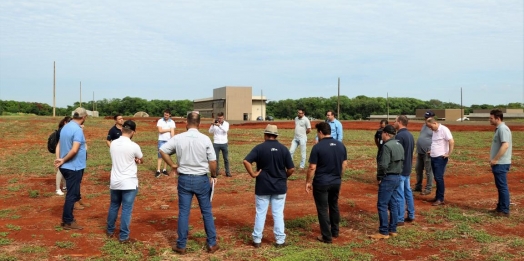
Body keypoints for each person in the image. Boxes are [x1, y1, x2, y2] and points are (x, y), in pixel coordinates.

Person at [159, 112, 220, 254]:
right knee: (206, 212)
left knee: (184, 213)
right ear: (199, 124)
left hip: (184, 179)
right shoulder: (205, 139)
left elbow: (163, 151)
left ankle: (181, 245)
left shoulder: (179, 138)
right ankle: (211, 243)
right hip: (201, 179)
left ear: (186, 123)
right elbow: (212, 161)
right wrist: (213, 175)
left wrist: (173, 165)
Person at [243, 124, 295, 248]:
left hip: (262, 186)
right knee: (278, 213)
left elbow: (246, 161)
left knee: (260, 213)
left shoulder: (259, 148)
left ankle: (257, 240)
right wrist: (284, 177)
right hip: (279, 187)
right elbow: (291, 169)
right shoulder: (283, 149)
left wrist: (253, 174)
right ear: (276, 135)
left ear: (265, 135)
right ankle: (280, 240)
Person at [306, 122, 347, 244]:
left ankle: (327, 237)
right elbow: (344, 164)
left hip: (321, 183)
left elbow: (312, 167)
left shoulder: (317, 147)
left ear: (320, 132)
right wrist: (339, 176)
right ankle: (335, 231)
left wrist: (308, 181)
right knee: (334, 205)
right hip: (336, 181)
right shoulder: (340, 145)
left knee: (323, 209)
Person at [106, 120, 144, 243]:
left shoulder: (113, 144)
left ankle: (110, 230)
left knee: (114, 206)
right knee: (126, 209)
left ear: (122, 129)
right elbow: (140, 159)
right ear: (133, 132)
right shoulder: (134, 146)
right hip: (129, 182)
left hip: (115, 181)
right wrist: (137, 161)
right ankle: (123, 236)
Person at [54, 107, 88, 230]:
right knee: (71, 195)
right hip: (73, 166)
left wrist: (60, 159)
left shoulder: (65, 127)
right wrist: (63, 159)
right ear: (84, 117)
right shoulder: (77, 130)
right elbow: (74, 149)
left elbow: (61, 144)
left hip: (66, 166)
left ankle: (67, 219)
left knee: (72, 193)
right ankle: (68, 221)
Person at [369, 125, 404, 240]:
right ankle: (392, 229)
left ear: (386, 134)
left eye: (382, 134)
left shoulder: (387, 146)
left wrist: (379, 177)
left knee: (382, 205)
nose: (381, 136)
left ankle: (383, 231)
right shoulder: (399, 145)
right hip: (397, 177)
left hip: (388, 177)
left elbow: (383, 165)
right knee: (393, 204)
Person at [425, 117, 454, 206]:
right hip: (434, 156)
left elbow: (451, 141)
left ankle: (440, 198)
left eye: (431, 127)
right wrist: (432, 151)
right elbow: (437, 143)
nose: (430, 129)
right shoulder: (435, 131)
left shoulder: (444, 129)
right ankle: (437, 196)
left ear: (435, 123)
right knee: (436, 178)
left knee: (438, 178)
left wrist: (448, 153)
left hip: (440, 158)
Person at [489, 109, 512, 217]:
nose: (490, 120)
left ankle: (504, 210)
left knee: (502, 187)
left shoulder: (503, 129)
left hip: (501, 163)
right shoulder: (499, 129)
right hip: (499, 163)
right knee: (500, 186)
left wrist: (496, 159)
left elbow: (505, 145)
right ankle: (500, 208)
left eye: (491, 118)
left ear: (497, 118)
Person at [393, 115, 415, 226]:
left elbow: (397, 154)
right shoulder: (410, 135)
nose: (394, 122)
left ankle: (400, 218)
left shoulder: (400, 136)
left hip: (400, 169)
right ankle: (411, 214)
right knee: (408, 192)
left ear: (400, 122)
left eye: (395, 121)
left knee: (399, 194)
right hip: (407, 168)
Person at [413, 110, 435, 195]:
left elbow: (438, 140)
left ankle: (428, 188)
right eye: (425, 117)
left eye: (427, 117)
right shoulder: (424, 126)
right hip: (420, 151)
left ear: (432, 117)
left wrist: (433, 149)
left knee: (428, 171)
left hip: (428, 152)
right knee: (418, 169)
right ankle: (418, 186)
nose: (425, 119)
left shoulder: (434, 127)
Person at [209, 112, 231, 177]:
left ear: (223, 118)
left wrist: (219, 126)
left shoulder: (226, 124)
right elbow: (210, 131)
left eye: (221, 118)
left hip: (224, 143)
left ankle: (228, 172)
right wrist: (213, 125)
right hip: (216, 143)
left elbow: (226, 130)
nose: (219, 119)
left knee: (226, 158)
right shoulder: (215, 124)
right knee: (216, 159)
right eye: (218, 118)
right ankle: (216, 172)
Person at [54, 116, 72, 195]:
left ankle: (65, 186)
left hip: (65, 152)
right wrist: (58, 157)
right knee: (60, 170)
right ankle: (58, 189)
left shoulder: (64, 130)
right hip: (62, 152)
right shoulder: (62, 130)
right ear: (65, 122)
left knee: (65, 169)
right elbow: (58, 145)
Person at [156, 109, 175, 178]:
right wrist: (169, 129)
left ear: (170, 115)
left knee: (167, 156)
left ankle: (164, 170)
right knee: (160, 155)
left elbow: (172, 132)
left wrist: (173, 140)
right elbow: (160, 130)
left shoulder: (172, 122)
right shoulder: (160, 121)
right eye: (164, 115)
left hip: (169, 141)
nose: (165, 116)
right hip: (161, 140)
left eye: (167, 115)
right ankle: (158, 170)